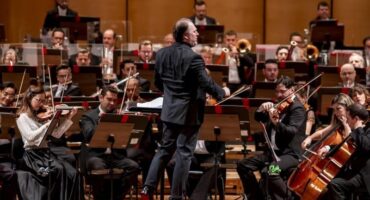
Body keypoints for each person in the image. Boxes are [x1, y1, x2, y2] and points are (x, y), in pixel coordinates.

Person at [140, 18, 225, 200]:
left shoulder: (162, 54)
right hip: (189, 113)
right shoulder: (193, 57)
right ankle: (176, 196)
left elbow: (157, 82)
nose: (197, 34)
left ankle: (147, 188)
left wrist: (172, 96)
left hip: (169, 111)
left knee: (164, 150)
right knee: (184, 153)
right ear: (186, 36)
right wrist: (221, 92)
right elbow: (205, 82)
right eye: (194, 31)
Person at [237, 76, 306, 200]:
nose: (279, 95)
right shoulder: (278, 105)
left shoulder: (297, 108)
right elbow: (259, 118)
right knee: (243, 165)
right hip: (273, 153)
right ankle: (255, 197)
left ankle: (290, 197)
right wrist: (261, 108)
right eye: (277, 91)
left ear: (292, 90)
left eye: (282, 91)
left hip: (291, 154)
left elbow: (291, 131)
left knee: (271, 170)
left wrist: (277, 123)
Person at [16, 86, 79, 200]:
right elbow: (30, 138)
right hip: (33, 156)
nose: (41, 104)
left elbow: (56, 134)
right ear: (29, 99)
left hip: (46, 153)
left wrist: (69, 117)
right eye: (38, 100)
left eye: (42, 100)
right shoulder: (22, 117)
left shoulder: (38, 117)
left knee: (73, 173)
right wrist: (46, 124)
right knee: (58, 170)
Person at [80, 86, 140, 200]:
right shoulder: (88, 116)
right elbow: (88, 134)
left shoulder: (118, 115)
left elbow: (128, 137)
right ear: (101, 98)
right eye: (109, 99)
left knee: (134, 167)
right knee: (99, 167)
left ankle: (117, 196)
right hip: (96, 156)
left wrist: (128, 122)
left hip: (116, 156)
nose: (112, 103)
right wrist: (102, 122)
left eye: (115, 100)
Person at [325, 104, 370, 200]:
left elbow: (366, 146)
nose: (347, 121)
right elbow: (344, 145)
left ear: (356, 118)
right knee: (328, 180)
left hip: (365, 175)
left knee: (336, 184)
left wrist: (359, 128)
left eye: (348, 118)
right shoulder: (355, 131)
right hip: (354, 171)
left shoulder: (367, 130)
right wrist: (328, 148)